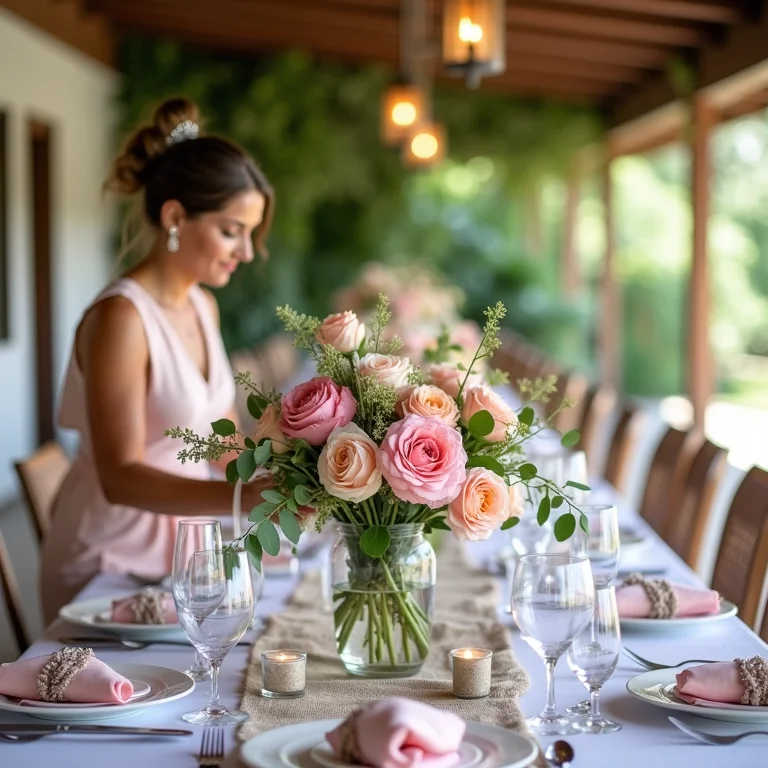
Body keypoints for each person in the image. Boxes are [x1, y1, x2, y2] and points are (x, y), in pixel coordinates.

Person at [40, 97, 274, 622]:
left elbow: (220, 438)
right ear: (175, 216)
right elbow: (119, 477)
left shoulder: (201, 304)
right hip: (110, 561)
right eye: (232, 230)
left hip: (187, 553)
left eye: (250, 234)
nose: (247, 251)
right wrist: (244, 498)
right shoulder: (122, 318)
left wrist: (292, 465)